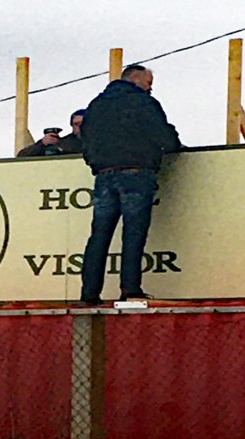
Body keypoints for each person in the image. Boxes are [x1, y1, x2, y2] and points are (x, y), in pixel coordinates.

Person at [78, 65, 181, 305]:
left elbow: (86, 138)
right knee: (133, 233)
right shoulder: (143, 103)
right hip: (137, 171)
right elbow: (164, 137)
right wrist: (172, 143)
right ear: (136, 80)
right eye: (148, 83)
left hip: (104, 174)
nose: (151, 89)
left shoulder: (96, 105)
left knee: (99, 235)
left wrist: (95, 162)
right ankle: (130, 289)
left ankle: (89, 293)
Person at [16, 109, 85, 157]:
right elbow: (22, 156)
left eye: (83, 123)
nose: (80, 127)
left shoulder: (95, 141)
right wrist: (43, 144)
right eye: (76, 124)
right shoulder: (64, 143)